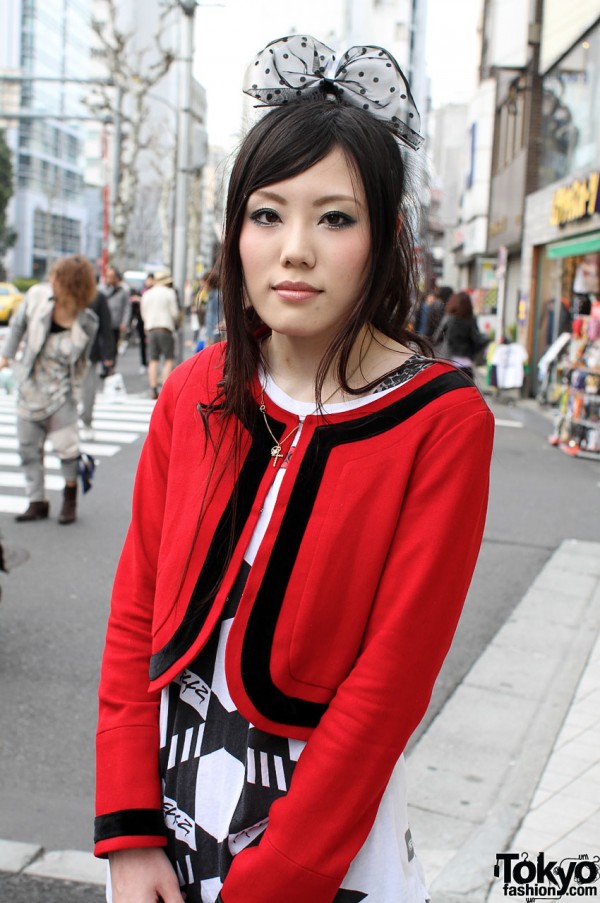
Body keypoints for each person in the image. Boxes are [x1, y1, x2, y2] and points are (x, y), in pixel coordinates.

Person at [95, 35, 494, 903]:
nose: (296, 249)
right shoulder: (199, 387)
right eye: (267, 214)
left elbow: (388, 687)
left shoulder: (441, 422)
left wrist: (275, 882)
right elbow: (135, 614)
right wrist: (128, 831)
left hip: (321, 840)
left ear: (385, 235)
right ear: (236, 229)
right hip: (167, 811)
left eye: (335, 217)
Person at [0, 255, 98, 524]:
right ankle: (37, 501)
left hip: (61, 394)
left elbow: (83, 362)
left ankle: (70, 497)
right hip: (30, 387)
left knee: (67, 449)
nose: (50, 280)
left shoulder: (87, 321)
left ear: (70, 285)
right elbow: (17, 325)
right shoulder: (37, 298)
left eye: (55, 276)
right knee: (27, 449)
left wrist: (76, 394)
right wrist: (6, 357)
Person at [80, 287, 115, 441]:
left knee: (88, 391)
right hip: (63, 356)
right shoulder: (61, 294)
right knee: (64, 394)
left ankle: (87, 422)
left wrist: (108, 353)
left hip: (88, 353)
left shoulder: (97, 296)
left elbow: (105, 326)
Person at [140, 269, 179, 399]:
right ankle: (164, 389)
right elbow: (174, 313)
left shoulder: (147, 294)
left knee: (153, 359)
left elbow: (143, 313)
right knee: (168, 359)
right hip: (165, 328)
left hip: (151, 329)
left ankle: (153, 388)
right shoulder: (169, 293)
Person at [433, 290, 489, 379]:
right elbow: (477, 340)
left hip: (448, 361)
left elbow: (436, 338)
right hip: (466, 363)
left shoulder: (449, 319)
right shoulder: (471, 320)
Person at [104, 266, 130, 365]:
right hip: (104, 324)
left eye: (111, 276)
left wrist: (124, 322)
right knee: (104, 346)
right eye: (107, 276)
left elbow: (127, 308)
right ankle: (105, 366)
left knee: (113, 347)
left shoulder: (123, 291)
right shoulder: (102, 290)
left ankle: (111, 366)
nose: (109, 279)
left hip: (116, 324)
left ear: (116, 278)